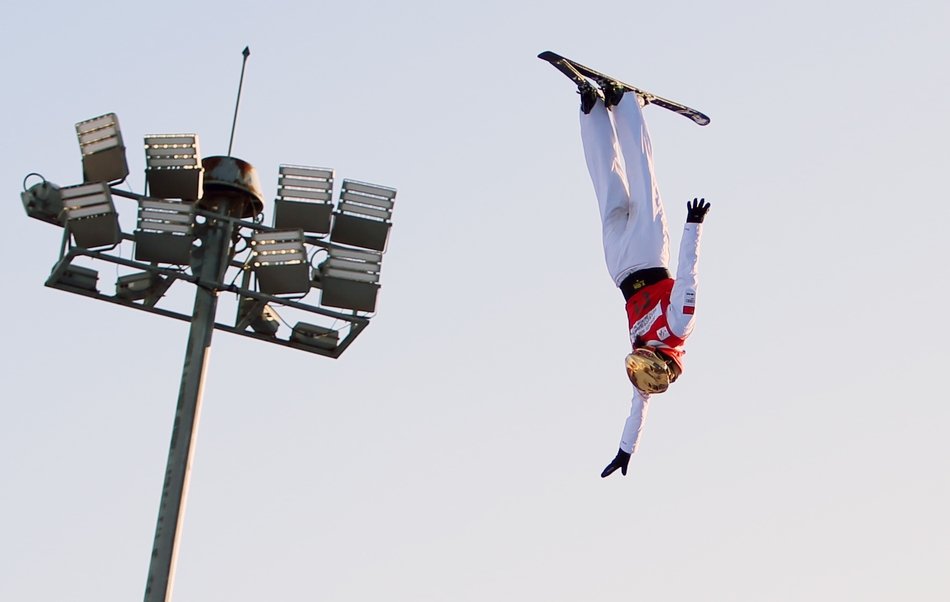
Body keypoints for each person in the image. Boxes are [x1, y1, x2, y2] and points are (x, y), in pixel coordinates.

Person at [571, 79, 711, 478]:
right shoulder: (679, 326)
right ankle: (627, 104)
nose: (640, 354)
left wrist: (624, 451)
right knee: (642, 178)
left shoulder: (643, 372)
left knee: (607, 184)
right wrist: (694, 226)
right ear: (661, 363)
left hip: (618, 266)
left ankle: (592, 109)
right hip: (650, 254)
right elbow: (688, 273)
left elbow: (637, 410)